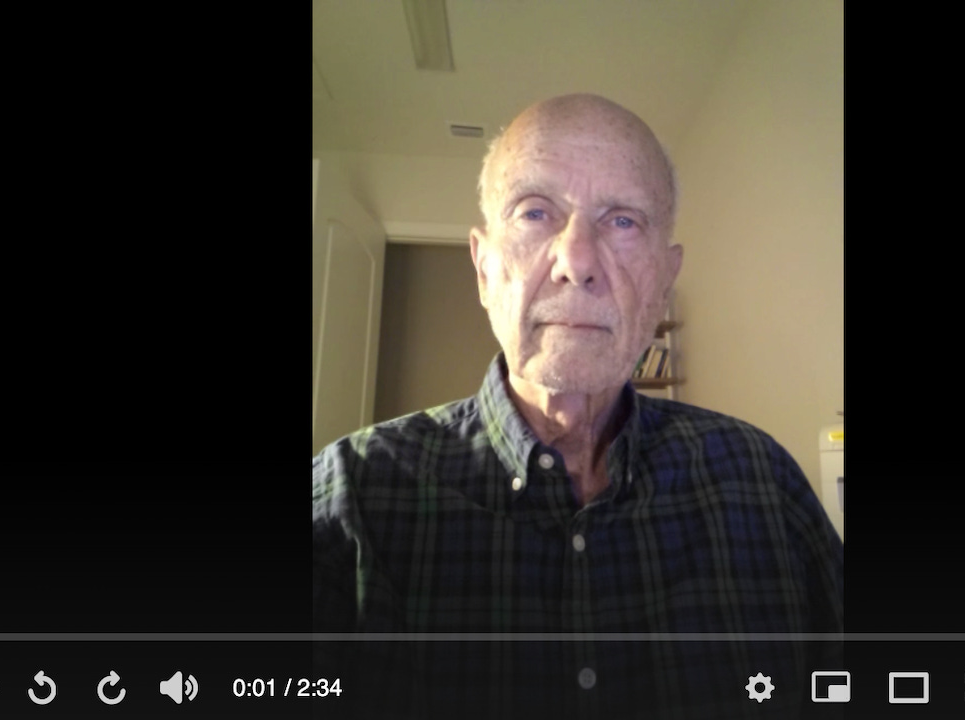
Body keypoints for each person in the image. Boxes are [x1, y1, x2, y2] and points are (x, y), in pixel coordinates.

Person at [313, 93, 843, 719]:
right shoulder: (351, 494)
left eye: (623, 221)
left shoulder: (762, 480)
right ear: (483, 270)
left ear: (663, 279)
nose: (577, 260)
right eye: (535, 212)